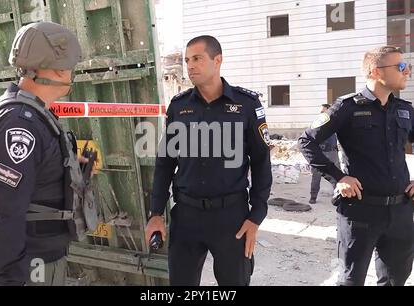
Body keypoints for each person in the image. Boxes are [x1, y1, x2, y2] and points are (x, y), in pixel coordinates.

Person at [145, 35, 272, 286]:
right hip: (186, 217)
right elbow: (165, 163)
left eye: (197, 59)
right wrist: (156, 212)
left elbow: (261, 162)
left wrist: (256, 216)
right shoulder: (179, 107)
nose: (190, 66)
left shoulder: (246, 105)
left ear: (218, 60)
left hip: (232, 218)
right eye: (187, 60)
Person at [0, 22, 83, 286]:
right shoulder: (20, 123)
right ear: (60, 69)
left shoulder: (34, 114)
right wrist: (6, 279)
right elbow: (3, 211)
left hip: (39, 258)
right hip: (29, 265)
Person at [299, 46, 414, 286]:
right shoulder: (347, 107)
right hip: (360, 212)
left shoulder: (405, 110)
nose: (408, 71)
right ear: (375, 71)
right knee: (351, 280)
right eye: (401, 67)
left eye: (407, 66)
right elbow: (306, 141)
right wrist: (338, 177)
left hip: (400, 212)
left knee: (396, 280)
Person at [309, 104, 340, 204]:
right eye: (320, 112)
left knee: (336, 175)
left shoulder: (335, 122)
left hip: (332, 153)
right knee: (316, 176)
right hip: (320, 153)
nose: (321, 114)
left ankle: (339, 196)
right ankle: (313, 196)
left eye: (323, 111)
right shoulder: (317, 123)